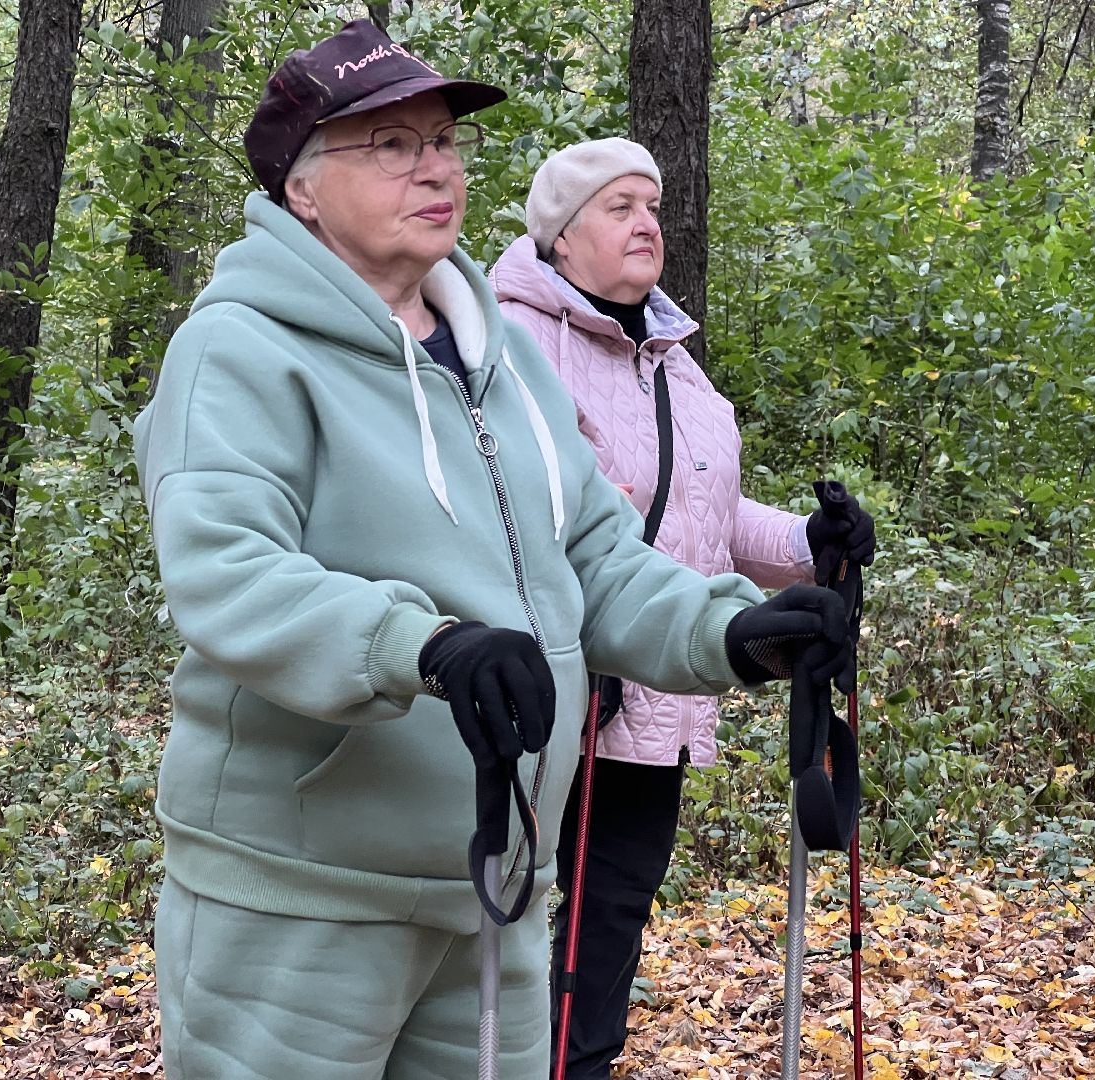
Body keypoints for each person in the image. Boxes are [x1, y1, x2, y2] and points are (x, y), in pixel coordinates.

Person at [133, 23, 851, 1080]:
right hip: (298, 898)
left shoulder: (502, 358)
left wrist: (730, 628)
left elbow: (595, 558)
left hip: (499, 884)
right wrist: (419, 646)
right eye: (387, 144)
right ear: (300, 189)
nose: (434, 164)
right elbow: (225, 571)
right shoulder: (237, 348)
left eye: (443, 139)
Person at [488, 138, 876, 1079]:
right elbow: (519, 503)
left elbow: (705, 509)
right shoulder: (512, 342)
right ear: (562, 235)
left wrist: (807, 546)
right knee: (495, 916)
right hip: (546, 683)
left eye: (652, 206)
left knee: (610, 913)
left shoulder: (675, 363)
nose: (647, 223)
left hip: (658, 690)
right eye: (619, 207)